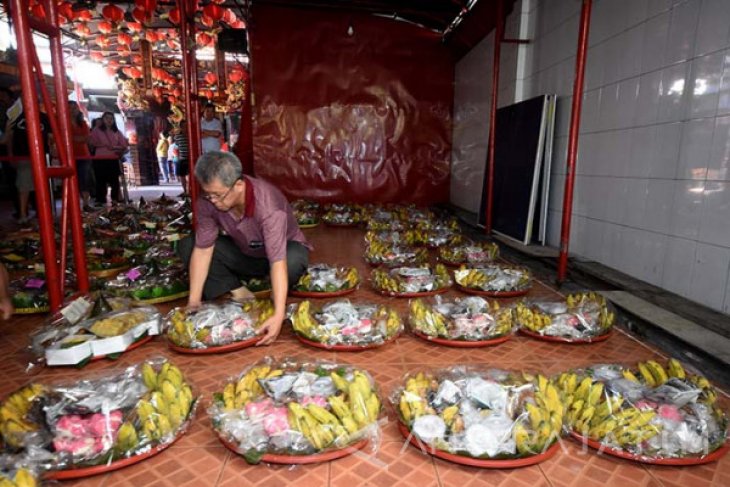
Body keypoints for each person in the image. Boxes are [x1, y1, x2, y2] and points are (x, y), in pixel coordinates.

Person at [178, 151, 310, 345]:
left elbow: (277, 261)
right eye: (208, 194)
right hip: (247, 253)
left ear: (239, 185)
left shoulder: (268, 206)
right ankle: (238, 290)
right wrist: (194, 302)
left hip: (281, 255)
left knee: (294, 259)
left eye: (218, 195)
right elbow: (204, 249)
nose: (213, 200)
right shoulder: (208, 203)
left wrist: (278, 314)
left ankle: (274, 291)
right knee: (188, 245)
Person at [2, 95, 51, 224]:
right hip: (23, 155)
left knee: (42, 185)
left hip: (42, 156)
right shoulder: (15, 117)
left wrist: (52, 152)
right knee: (24, 185)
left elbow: (50, 138)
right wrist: (11, 154)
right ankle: (23, 214)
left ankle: (42, 211)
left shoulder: (44, 118)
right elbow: (8, 139)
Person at [88, 111, 128, 206]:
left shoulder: (117, 132)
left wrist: (115, 148)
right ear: (103, 120)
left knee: (114, 180)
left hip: (113, 158)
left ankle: (115, 198)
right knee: (100, 180)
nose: (109, 120)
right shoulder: (97, 130)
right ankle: (101, 199)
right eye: (107, 118)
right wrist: (104, 145)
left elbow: (124, 145)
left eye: (111, 118)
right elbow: (91, 143)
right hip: (100, 158)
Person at [68, 101, 93, 210]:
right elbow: (64, 138)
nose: (73, 110)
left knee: (85, 179)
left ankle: (86, 204)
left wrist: (75, 138)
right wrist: (77, 139)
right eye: (70, 107)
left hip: (83, 154)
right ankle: (72, 204)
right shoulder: (61, 122)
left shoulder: (82, 123)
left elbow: (87, 138)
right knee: (71, 179)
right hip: (68, 155)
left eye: (75, 107)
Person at [173, 122, 190, 196]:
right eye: (183, 126)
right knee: (182, 176)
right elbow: (176, 147)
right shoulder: (177, 136)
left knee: (189, 176)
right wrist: (177, 157)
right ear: (180, 128)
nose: (185, 128)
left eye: (186, 126)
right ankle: (185, 191)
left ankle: (189, 191)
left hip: (190, 159)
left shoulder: (190, 135)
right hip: (181, 158)